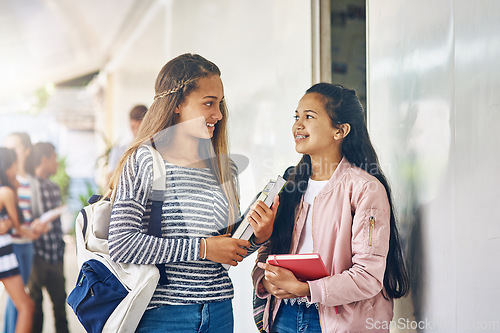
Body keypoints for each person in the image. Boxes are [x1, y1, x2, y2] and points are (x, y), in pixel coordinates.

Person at [107, 53, 278, 332]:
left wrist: (258, 236)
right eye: (208, 103)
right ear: (177, 105)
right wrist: (203, 248)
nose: (219, 114)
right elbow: (122, 244)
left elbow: (225, 252)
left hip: (220, 312)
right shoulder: (144, 161)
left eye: (220, 104)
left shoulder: (224, 169)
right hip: (164, 316)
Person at [252, 83, 409, 333]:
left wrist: (305, 289)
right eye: (297, 116)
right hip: (284, 315)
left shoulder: (365, 189)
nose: (298, 125)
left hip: (338, 322)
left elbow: (368, 277)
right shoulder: (289, 183)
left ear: (340, 130)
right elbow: (271, 248)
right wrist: (268, 283)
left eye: (309, 116)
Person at [3, 133, 49, 333]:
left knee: (19, 300)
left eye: (15, 148)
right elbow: (18, 225)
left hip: (24, 244)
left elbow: (26, 218)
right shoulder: (8, 189)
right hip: (10, 245)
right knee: (21, 302)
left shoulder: (28, 183)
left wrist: (35, 229)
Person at [26, 142, 69, 333]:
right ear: (44, 159)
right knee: (35, 309)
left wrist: (60, 249)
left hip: (55, 255)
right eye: (54, 158)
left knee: (61, 307)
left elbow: (57, 225)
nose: (57, 163)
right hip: (37, 256)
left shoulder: (54, 187)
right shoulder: (28, 186)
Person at [0, 147, 35, 333]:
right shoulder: (5, 191)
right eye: (14, 165)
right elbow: (18, 228)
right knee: (26, 306)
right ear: (7, 166)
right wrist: (36, 232)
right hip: (3, 252)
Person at [107, 104, 148, 178]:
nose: (136, 131)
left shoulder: (152, 149)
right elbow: (110, 178)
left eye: (139, 127)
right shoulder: (119, 150)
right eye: (133, 127)